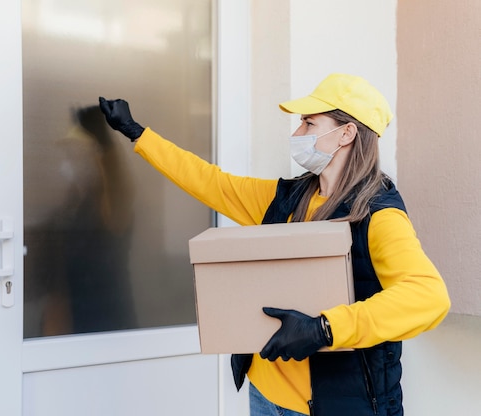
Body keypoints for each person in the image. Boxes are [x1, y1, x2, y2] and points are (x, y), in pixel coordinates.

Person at [98, 73, 450, 416]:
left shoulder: (377, 214)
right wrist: (137, 133)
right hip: (265, 395)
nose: (298, 133)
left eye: (309, 124)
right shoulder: (287, 198)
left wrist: (324, 329)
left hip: (330, 405)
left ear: (347, 133)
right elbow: (210, 182)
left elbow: (428, 298)